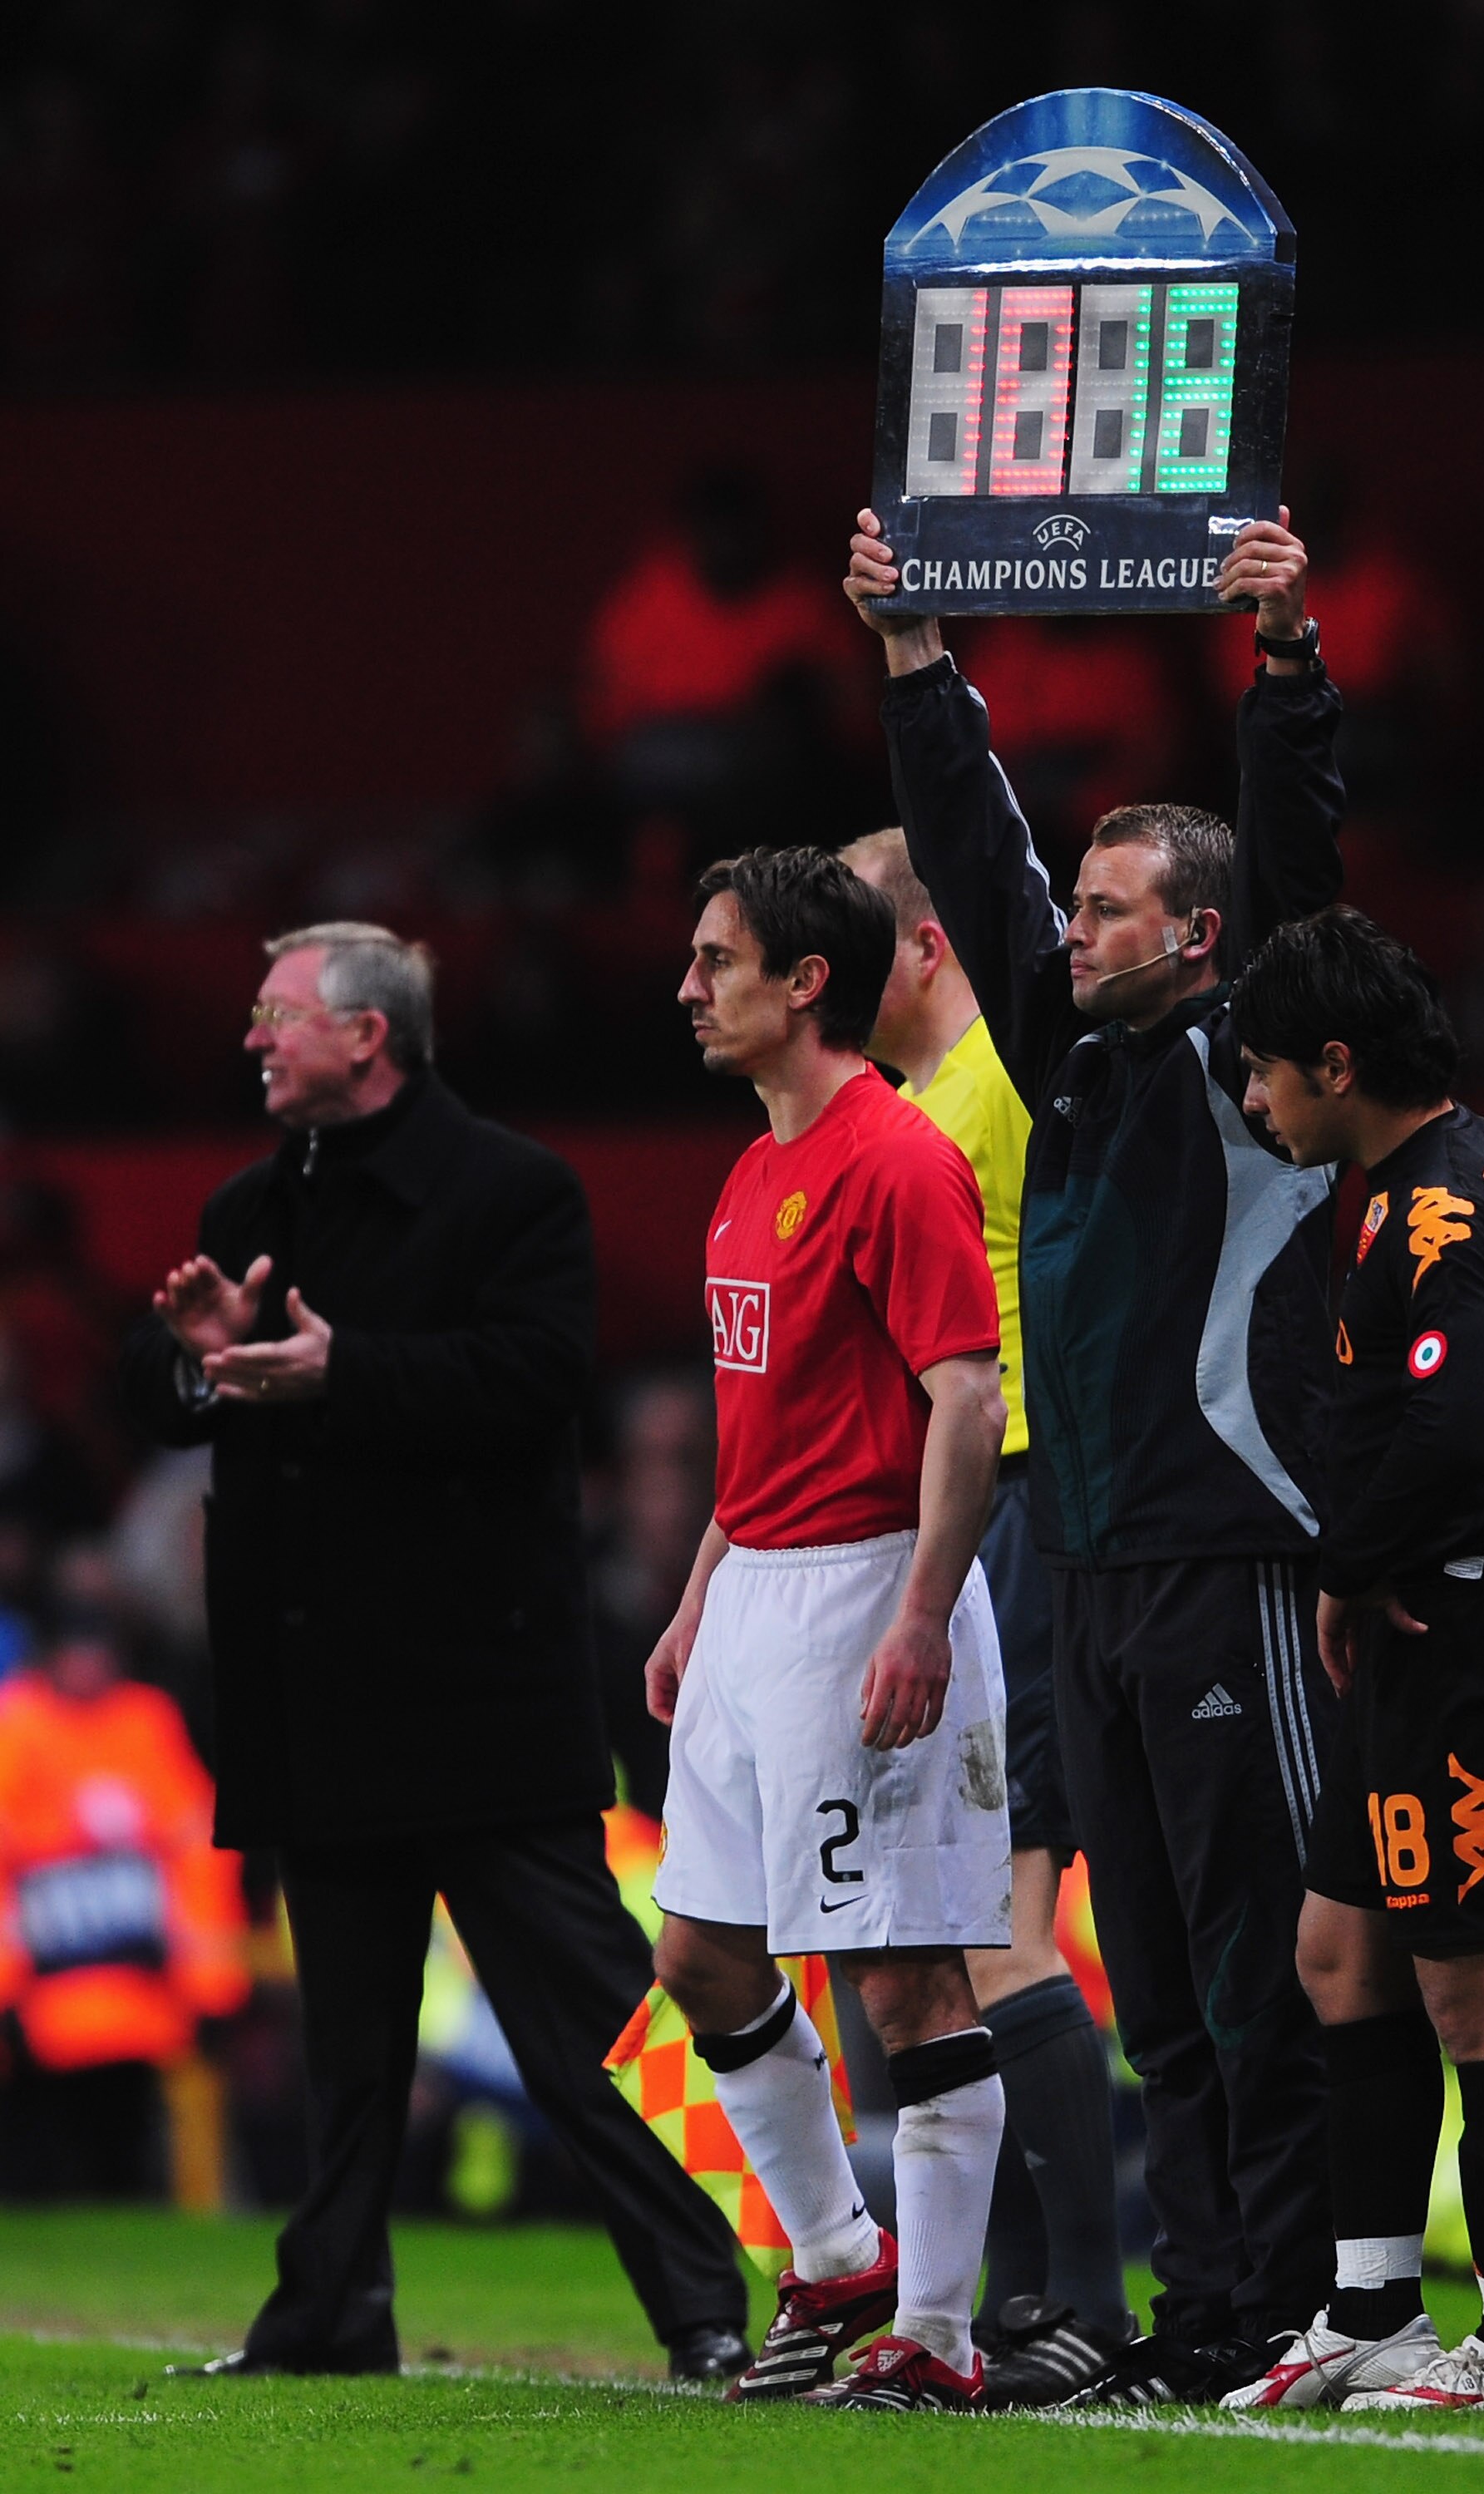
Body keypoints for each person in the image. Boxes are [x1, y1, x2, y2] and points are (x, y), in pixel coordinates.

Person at [846, 506, 1343, 2403]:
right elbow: (972, 850)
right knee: (1149, 1965)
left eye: (1111, 903)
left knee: (1245, 1959)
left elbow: (1300, 861)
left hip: (1232, 1552)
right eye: (1080, 900)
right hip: (1092, 1551)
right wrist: (912, 661)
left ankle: (1283, 2301)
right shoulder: (1067, 1051)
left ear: (1197, 937)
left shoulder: (1259, 1053)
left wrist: (1282, 670)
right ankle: (1198, 2309)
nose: (1073, 922)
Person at [117, 921, 752, 2382]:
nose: (254, 1039)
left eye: (278, 1015)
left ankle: (712, 2300)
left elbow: (538, 1382)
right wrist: (197, 1357)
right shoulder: (246, 1200)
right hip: (319, 1699)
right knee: (346, 2050)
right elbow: (156, 1394)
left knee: (600, 2023)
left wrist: (344, 1371)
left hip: (475, 1692)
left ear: (368, 1037)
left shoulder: (512, 1193)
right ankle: (330, 2316)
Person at [644, 848, 1013, 2413]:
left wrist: (921, 1612)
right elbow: (762, 1424)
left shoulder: (894, 1159)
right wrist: (693, 1599)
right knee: (702, 1958)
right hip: (754, 1606)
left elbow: (965, 1398)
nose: (687, 987)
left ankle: (935, 2333)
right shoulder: (752, 1166)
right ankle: (837, 2258)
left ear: (806, 982)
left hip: (867, 1587)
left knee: (906, 1980)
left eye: (715, 960)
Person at [1227, 905, 1484, 2413]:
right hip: (1411, 1625)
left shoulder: (1440, 1206)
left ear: (1337, 1063)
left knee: (1481, 1992)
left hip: (1467, 1637)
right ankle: (1372, 2308)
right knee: (1340, 1954)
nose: (1256, 1105)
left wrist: (1355, 1559)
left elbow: (1457, 1418)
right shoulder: (1434, 1168)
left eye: (1267, 1075)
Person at [843, 827, 1131, 2398]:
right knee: (953, 1926)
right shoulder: (901, 1110)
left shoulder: (1005, 1088)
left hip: (1025, 1505)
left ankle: (1082, 2297)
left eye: (849, 933)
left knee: (1005, 1917)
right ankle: (1024, 2294)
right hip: (959, 1522)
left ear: (931, 941)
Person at [0, 1610, 248, 2200]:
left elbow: (197, 1855)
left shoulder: (146, 1720)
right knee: (39, 2164)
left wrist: (211, 1988)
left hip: (142, 2004)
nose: (89, 1665)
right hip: (42, 2006)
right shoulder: (18, 1725)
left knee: (126, 2161)